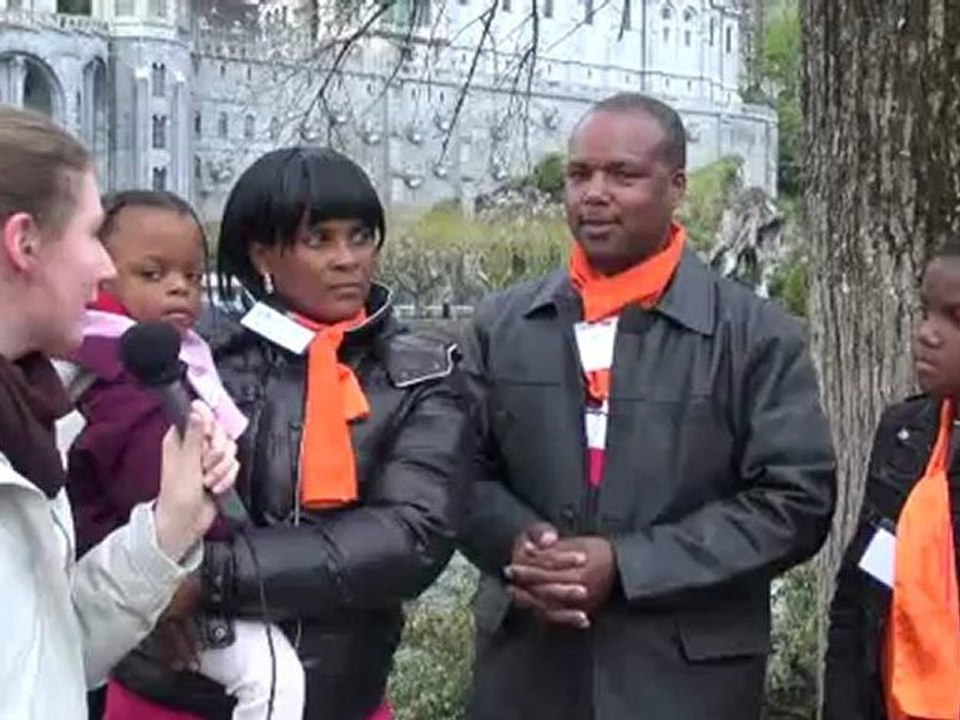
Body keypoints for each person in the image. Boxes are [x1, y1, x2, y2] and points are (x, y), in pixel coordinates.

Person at [459, 92, 837, 720]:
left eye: (623, 175)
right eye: (579, 174)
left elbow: (795, 502)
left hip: (685, 683)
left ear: (676, 186)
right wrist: (521, 546)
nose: (593, 193)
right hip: (526, 674)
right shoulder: (502, 325)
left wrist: (629, 565)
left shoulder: (756, 335)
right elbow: (455, 471)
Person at [101, 146, 470, 720]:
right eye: (318, 239)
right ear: (263, 251)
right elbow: (98, 477)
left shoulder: (424, 371)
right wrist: (144, 598)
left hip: (336, 696)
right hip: (169, 692)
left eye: (361, 236)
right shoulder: (196, 354)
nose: (347, 259)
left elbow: (408, 537)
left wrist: (204, 581)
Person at [0, 107, 238, 719]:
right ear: (24, 243)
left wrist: (169, 526)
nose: (105, 267)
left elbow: (47, 654)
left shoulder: (31, 414)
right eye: (89, 234)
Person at [65, 189, 305, 720]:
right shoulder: (120, 372)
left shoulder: (167, 358)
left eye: (193, 277)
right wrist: (225, 564)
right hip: (156, 574)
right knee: (274, 680)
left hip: (152, 577)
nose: (179, 288)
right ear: (97, 275)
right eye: (152, 274)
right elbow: (152, 487)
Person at [823, 241, 960, 719]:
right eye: (927, 311)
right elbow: (855, 598)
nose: (928, 334)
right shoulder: (905, 432)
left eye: (955, 319)